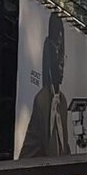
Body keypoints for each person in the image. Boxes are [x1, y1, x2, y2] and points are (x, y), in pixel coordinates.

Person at [18, 14, 70, 157]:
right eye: (58, 50)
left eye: (63, 53)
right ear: (49, 50)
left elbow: (63, 146)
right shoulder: (42, 100)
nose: (61, 62)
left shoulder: (62, 101)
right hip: (35, 174)